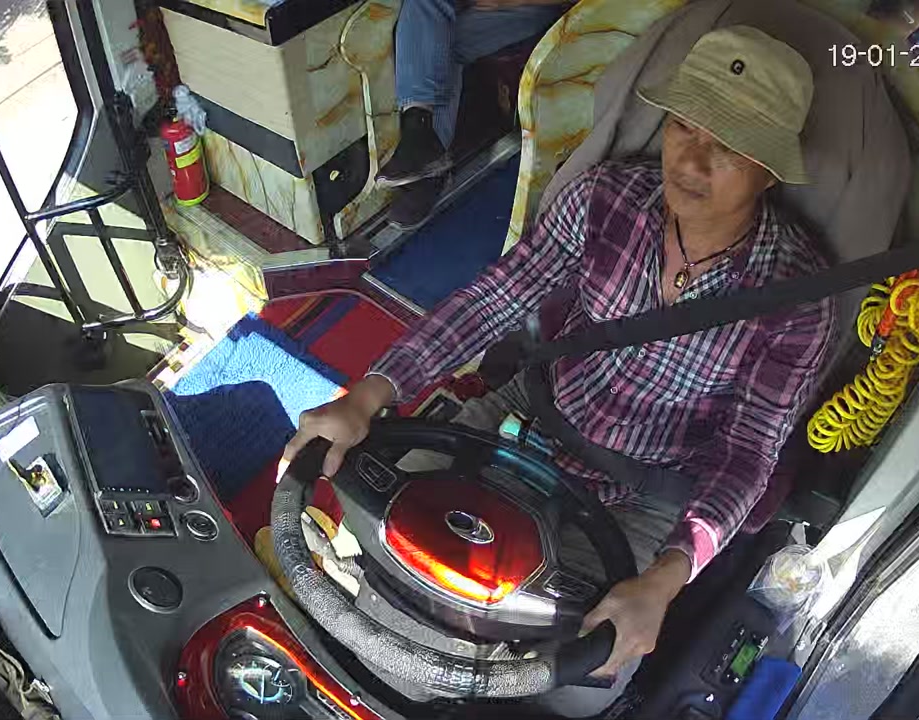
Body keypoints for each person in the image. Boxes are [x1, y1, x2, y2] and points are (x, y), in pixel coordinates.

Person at [284, 26, 836, 715]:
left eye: (724, 147)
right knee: (382, 526)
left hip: (646, 489)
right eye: (682, 127)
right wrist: (367, 394)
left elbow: (748, 454)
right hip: (532, 413)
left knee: (582, 690)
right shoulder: (604, 198)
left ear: (770, 171)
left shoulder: (798, 298)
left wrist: (665, 580)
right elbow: (495, 299)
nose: (691, 160)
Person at [376, 0, 571, 230]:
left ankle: (427, 151)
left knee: (436, 42)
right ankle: (422, 139)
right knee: (424, 22)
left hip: (536, 9)